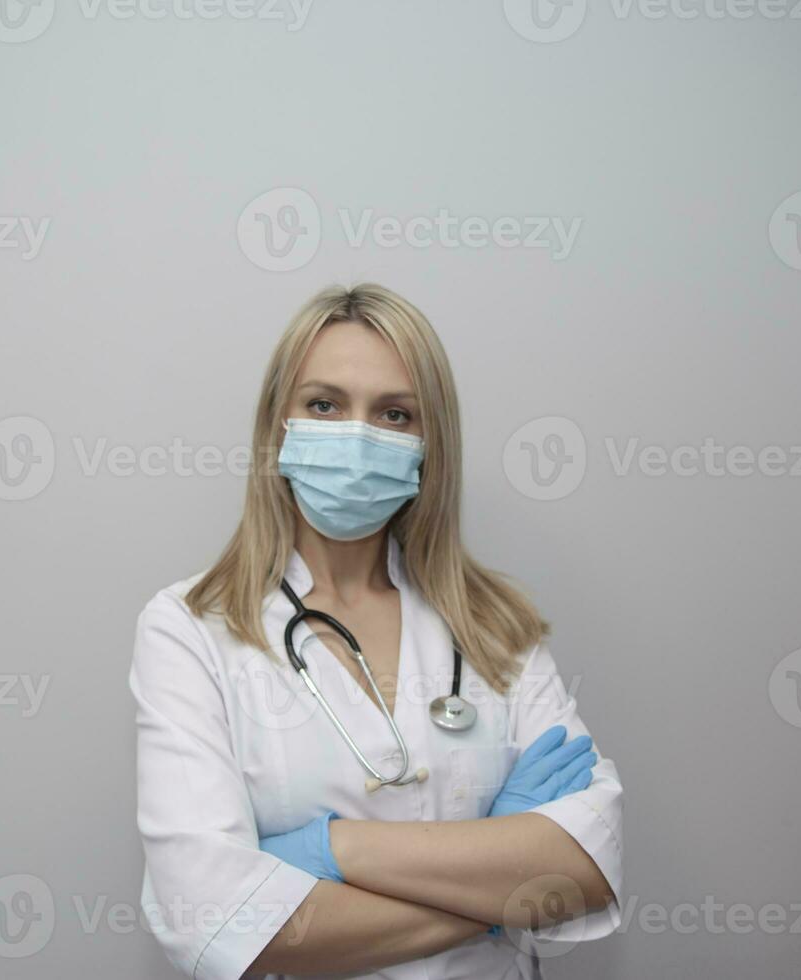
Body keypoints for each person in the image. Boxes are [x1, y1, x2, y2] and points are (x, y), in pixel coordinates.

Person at [130, 283, 624, 979]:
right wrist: (497, 891)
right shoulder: (191, 630)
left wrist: (333, 851)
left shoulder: (495, 626)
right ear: (279, 426)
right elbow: (214, 924)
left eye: (394, 414)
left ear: (430, 446)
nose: (357, 436)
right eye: (324, 404)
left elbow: (584, 870)